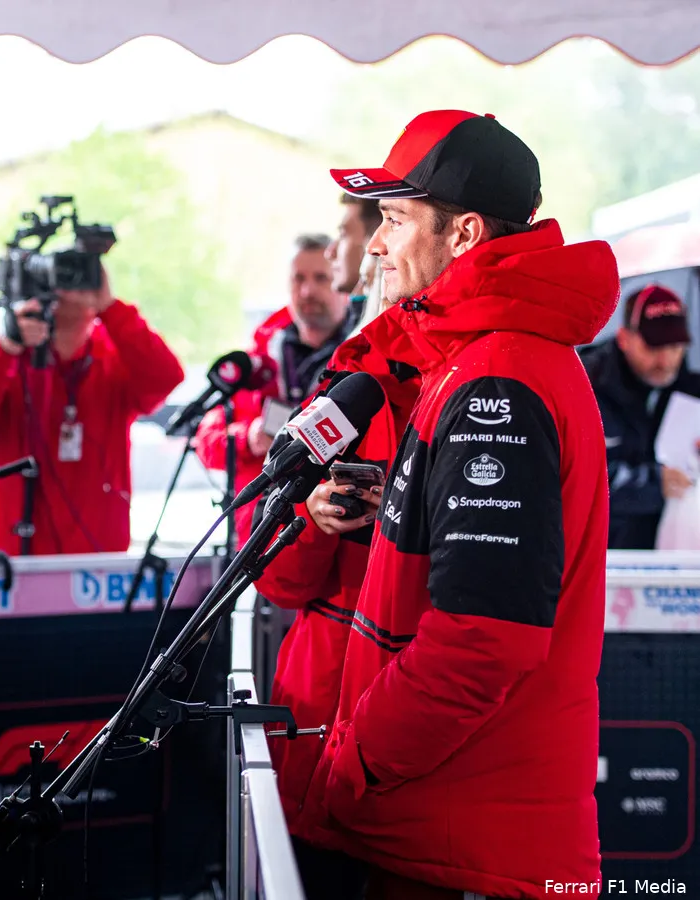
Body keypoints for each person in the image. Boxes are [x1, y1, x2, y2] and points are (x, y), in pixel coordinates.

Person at [299, 109, 616, 898]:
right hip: (455, 829)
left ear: (465, 234)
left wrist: (357, 760)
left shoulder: (497, 379)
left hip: (463, 842)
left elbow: (484, 640)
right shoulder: (480, 358)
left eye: (396, 219)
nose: (375, 243)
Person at [251, 281, 419, 894]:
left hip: (416, 732)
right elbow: (278, 582)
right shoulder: (346, 393)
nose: (373, 251)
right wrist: (311, 515)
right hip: (320, 706)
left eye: (391, 224)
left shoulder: (484, 393)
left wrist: (400, 521)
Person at [0, 268, 183, 556]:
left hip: (96, 562)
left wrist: (111, 307)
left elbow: (167, 377)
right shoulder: (0, 356)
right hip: (8, 560)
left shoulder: (116, 359)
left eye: (78, 273)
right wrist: (7, 348)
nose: (68, 291)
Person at [194, 234, 359, 545]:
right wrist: (249, 436)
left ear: (343, 283)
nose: (307, 290)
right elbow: (207, 442)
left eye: (320, 277)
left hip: (333, 541)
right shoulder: (258, 361)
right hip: (258, 540)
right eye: (298, 278)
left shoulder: (365, 358)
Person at [580, 284, 700, 548]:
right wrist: (654, 484)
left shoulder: (690, 389)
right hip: (605, 559)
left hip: (674, 553)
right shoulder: (584, 386)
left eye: (676, 347)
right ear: (624, 339)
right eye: (654, 347)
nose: (666, 360)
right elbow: (576, 478)